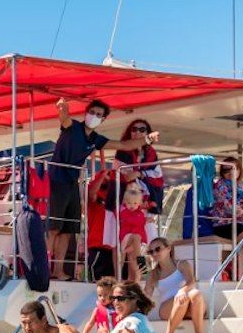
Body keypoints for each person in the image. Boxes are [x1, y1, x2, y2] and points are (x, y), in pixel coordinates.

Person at [49, 97, 112, 280]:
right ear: (86, 113)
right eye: (92, 112)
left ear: (103, 119)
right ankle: (44, 266)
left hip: (73, 183)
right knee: (53, 228)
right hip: (57, 180)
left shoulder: (95, 139)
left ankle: (58, 270)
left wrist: (146, 139)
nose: (94, 116)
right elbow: (64, 119)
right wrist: (62, 107)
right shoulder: (73, 127)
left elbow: (122, 145)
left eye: (98, 115)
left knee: (68, 230)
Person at [145, 237, 206, 333]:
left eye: (158, 249)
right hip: (167, 309)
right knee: (186, 297)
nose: (154, 253)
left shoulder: (182, 264)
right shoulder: (153, 274)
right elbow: (146, 295)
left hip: (188, 302)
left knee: (195, 294)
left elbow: (191, 281)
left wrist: (182, 291)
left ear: (168, 249)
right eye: (151, 251)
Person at [115, 120, 165, 217]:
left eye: (142, 129)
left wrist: (140, 174)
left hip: (147, 203)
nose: (138, 132)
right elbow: (125, 175)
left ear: (147, 133)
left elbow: (158, 177)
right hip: (126, 201)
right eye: (134, 129)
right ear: (130, 132)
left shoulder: (151, 153)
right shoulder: (123, 151)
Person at [85, 168, 118, 280]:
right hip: (97, 245)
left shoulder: (116, 197)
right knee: (97, 281)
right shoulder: (95, 192)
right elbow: (91, 194)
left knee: (112, 283)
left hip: (112, 248)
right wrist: (102, 175)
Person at [116, 182, 150, 283]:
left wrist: (145, 220)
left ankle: (133, 278)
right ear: (125, 202)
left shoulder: (140, 213)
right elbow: (132, 222)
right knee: (136, 238)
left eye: (135, 203)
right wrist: (145, 220)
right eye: (129, 203)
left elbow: (139, 225)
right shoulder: (124, 212)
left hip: (135, 241)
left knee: (132, 260)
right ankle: (141, 267)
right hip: (128, 237)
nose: (132, 206)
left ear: (139, 203)